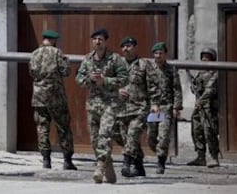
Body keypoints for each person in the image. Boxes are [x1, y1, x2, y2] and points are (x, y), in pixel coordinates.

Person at [75, 28, 127, 183]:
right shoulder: (87, 59)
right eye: (95, 39)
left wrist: (105, 81)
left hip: (110, 104)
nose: (98, 42)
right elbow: (78, 79)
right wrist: (90, 79)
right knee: (95, 139)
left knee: (104, 134)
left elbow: (124, 78)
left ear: (106, 42)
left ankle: (99, 167)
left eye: (101, 39)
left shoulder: (115, 59)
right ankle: (108, 168)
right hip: (92, 105)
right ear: (92, 41)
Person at [28, 29, 77, 170]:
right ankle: (67, 160)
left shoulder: (34, 54)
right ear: (53, 40)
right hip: (56, 97)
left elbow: (32, 72)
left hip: (39, 96)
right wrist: (66, 62)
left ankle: (46, 160)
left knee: (42, 128)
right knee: (63, 128)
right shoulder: (57, 53)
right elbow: (65, 71)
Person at [116, 36, 160, 177]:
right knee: (128, 139)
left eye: (128, 46)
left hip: (140, 108)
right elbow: (109, 83)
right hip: (122, 109)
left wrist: (154, 103)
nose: (125, 49)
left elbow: (153, 85)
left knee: (133, 134)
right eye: (123, 46)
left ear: (135, 47)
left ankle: (126, 163)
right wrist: (116, 91)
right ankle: (139, 166)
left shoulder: (144, 64)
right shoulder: (117, 64)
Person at [147, 42, 183, 174]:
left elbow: (177, 89)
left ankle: (161, 162)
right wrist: (151, 104)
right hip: (152, 108)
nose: (158, 56)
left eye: (160, 53)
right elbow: (145, 88)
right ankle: (158, 153)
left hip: (166, 107)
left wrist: (176, 107)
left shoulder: (171, 70)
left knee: (163, 136)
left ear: (165, 54)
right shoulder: (149, 69)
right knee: (151, 137)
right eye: (156, 53)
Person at [187, 48, 220, 168]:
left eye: (208, 57)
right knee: (197, 130)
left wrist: (201, 100)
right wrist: (193, 85)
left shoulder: (215, 72)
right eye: (203, 57)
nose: (205, 59)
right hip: (199, 106)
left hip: (209, 106)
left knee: (209, 130)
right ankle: (200, 156)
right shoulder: (201, 72)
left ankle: (213, 156)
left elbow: (210, 90)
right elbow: (197, 87)